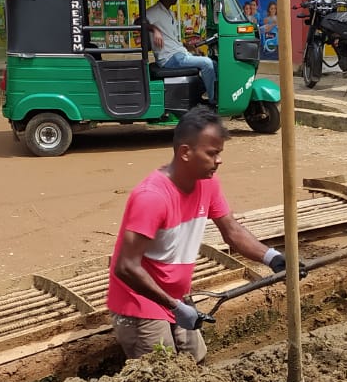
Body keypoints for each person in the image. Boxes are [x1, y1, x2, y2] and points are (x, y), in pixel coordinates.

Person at [107, 107, 296, 362]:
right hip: (140, 301)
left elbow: (232, 231)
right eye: (212, 153)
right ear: (185, 152)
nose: (219, 161)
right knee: (161, 376)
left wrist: (272, 258)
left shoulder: (207, 183)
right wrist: (175, 307)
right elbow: (125, 267)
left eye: (220, 153)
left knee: (196, 361)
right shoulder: (151, 198)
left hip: (177, 296)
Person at [145, 0, 216, 102]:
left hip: (179, 54)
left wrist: (189, 46)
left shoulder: (170, 12)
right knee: (207, 64)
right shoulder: (154, 11)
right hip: (169, 58)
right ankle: (213, 101)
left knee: (214, 63)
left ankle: (202, 94)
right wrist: (154, 29)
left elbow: (172, 39)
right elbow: (138, 22)